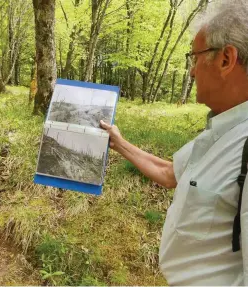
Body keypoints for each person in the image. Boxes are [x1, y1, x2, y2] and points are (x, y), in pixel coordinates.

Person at [100, 0, 248, 285]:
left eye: (195, 58)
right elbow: (171, 174)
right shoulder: (222, 130)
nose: (191, 71)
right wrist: (118, 143)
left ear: (226, 59)